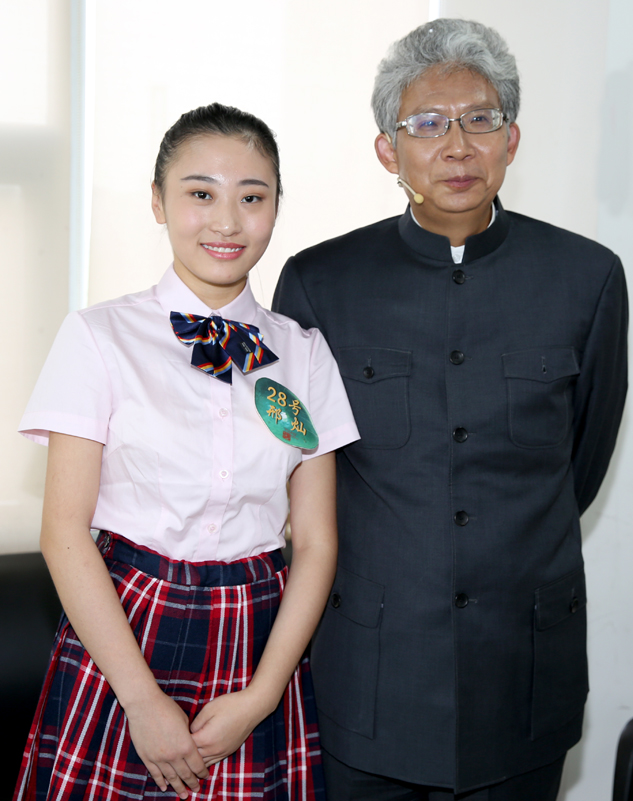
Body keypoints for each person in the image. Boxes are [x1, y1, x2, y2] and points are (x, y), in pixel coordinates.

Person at [273, 18, 628, 801]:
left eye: (480, 119)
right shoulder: (319, 282)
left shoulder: (588, 277)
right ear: (387, 150)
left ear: (513, 139)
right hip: (372, 670)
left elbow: (582, 456)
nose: (458, 146)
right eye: (427, 124)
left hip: (521, 668)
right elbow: (298, 471)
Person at [14, 102, 359, 801]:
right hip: (123, 632)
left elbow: (317, 541)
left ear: (276, 206)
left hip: (257, 639)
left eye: (252, 197)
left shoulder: (304, 353)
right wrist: (141, 699)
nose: (227, 222)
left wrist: (263, 695)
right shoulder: (98, 336)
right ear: (157, 201)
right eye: (201, 194)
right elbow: (63, 531)